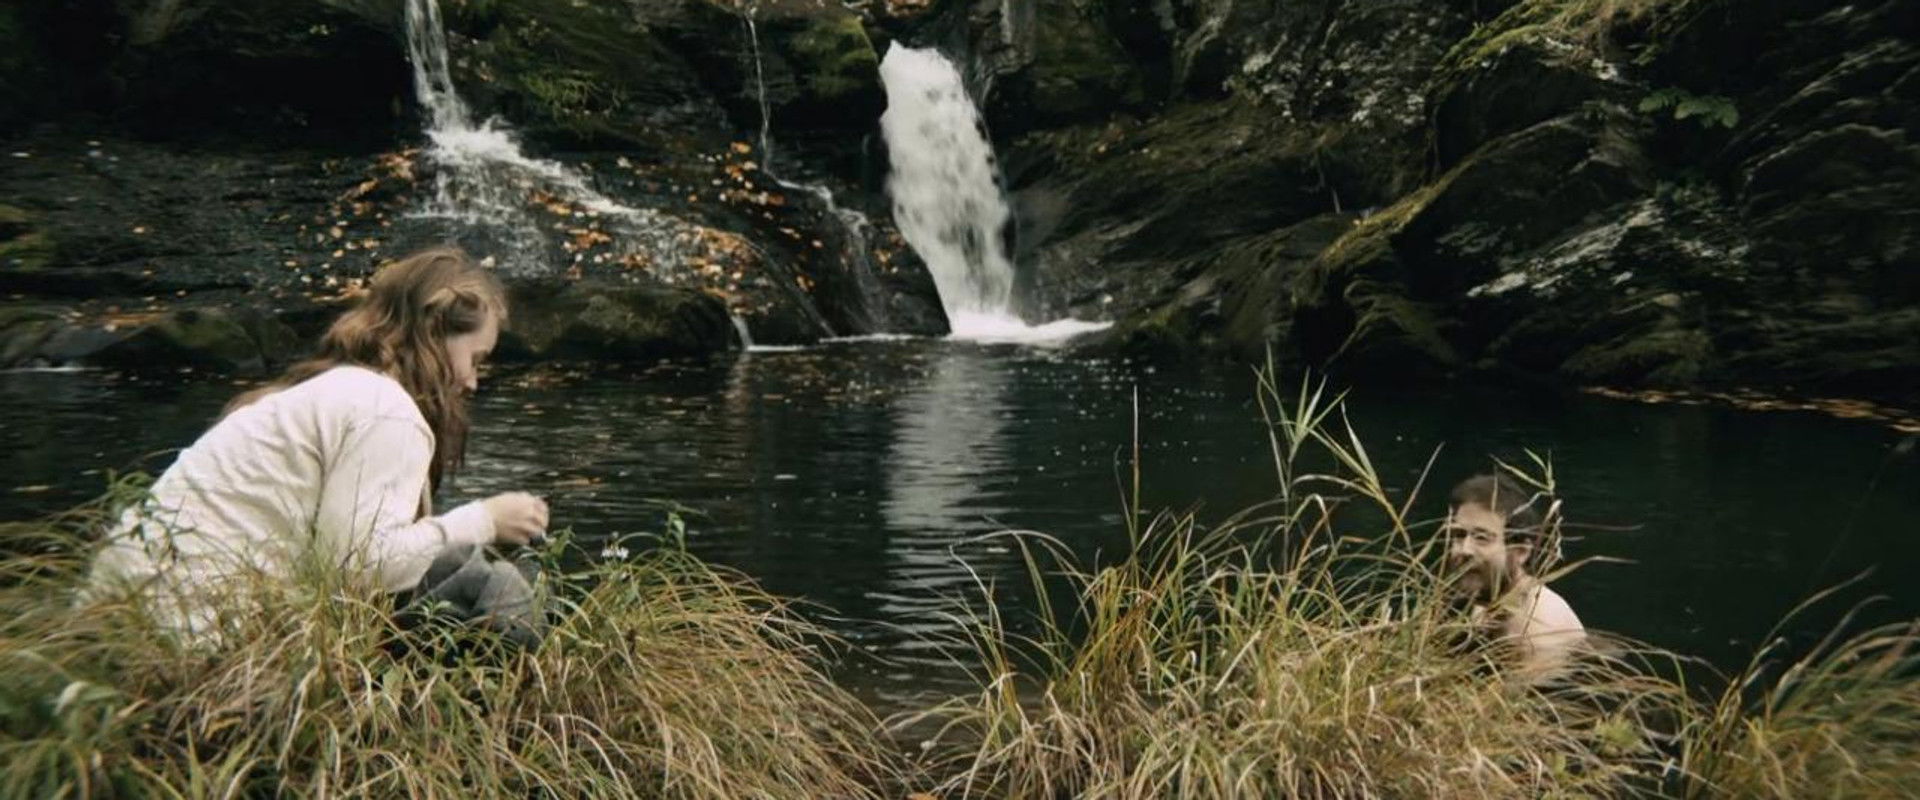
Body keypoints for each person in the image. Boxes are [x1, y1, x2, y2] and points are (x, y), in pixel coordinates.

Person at [89, 246, 549, 642]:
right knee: (494, 588)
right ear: (432, 332)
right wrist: (485, 520)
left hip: (125, 606)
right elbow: (360, 567)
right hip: (192, 626)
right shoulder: (384, 409)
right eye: (475, 358)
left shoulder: (333, 389)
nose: (471, 381)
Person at [1443, 473, 1586, 684]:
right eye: (1458, 535)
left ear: (1521, 551)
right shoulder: (1485, 604)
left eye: (1482, 538)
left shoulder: (1538, 632)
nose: (1464, 550)